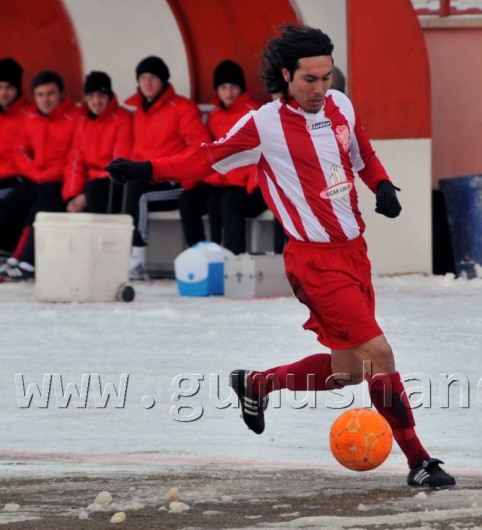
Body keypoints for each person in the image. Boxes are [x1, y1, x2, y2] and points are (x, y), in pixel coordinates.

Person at [106, 24, 455, 488]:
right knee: (379, 354)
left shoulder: (341, 106)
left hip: (354, 254)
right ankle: (419, 459)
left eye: (327, 77)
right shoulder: (263, 124)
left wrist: (383, 185)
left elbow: (362, 154)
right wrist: (147, 169)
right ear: (286, 76)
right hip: (314, 262)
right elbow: (205, 158)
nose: (320, 88)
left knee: (350, 370)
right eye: (309, 79)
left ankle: (256, 384)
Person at [123, 56, 210, 279]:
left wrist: (187, 178)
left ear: (163, 81)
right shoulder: (140, 111)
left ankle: (137, 260)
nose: (147, 83)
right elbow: (137, 151)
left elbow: (199, 144)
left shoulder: (182, 108)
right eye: (142, 78)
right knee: (124, 188)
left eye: (153, 77)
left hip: (176, 182)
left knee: (138, 194)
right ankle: (119, 257)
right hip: (149, 180)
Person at [177, 59, 266, 254]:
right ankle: (200, 255)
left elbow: (260, 152)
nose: (228, 92)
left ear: (241, 87)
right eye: (223, 87)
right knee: (188, 200)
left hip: (251, 185)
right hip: (223, 181)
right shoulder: (215, 116)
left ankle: (232, 258)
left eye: (233, 86)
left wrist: (251, 184)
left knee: (226, 202)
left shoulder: (254, 113)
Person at [0, 71, 78, 282]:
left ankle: (25, 262)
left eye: (50, 93)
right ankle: (11, 257)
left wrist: (47, 175)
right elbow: (21, 149)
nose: (45, 99)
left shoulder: (75, 118)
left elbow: (76, 156)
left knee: (39, 211)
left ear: (61, 94)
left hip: (61, 183)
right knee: (9, 206)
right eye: (40, 94)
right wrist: (34, 172)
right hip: (34, 179)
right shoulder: (31, 117)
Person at [63, 71, 132, 214]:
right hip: (91, 185)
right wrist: (72, 196)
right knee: (62, 204)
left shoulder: (122, 118)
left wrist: (86, 196)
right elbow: (76, 162)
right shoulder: (83, 123)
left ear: (109, 96)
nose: (96, 101)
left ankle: (106, 235)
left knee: (93, 191)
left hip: (115, 183)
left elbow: (120, 162)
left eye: (101, 95)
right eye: (91, 96)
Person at [0, 58, 34, 256]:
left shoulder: (30, 114)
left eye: (9, 87)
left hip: (16, 181)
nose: (4, 92)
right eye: (0, 87)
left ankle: (7, 250)